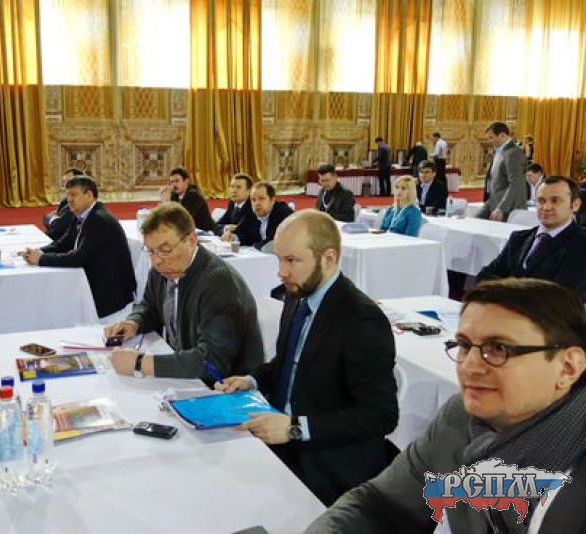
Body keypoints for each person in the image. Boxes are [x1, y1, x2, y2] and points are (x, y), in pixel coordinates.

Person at [307, 278, 586, 533]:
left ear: (568, 367)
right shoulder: (460, 418)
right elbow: (380, 505)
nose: (469, 366)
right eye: (464, 344)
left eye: (499, 348)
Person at [215, 210, 398, 506]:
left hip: (328, 463)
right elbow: (288, 363)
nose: (281, 272)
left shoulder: (361, 318)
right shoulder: (297, 295)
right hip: (281, 437)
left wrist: (295, 428)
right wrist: (252, 380)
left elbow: (380, 415)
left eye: (292, 260)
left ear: (328, 258)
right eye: (279, 259)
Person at [104, 202, 264, 383]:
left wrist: (140, 363)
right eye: (150, 251)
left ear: (191, 241)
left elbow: (211, 363)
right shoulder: (164, 268)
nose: (156, 261)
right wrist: (134, 322)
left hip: (223, 387)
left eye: (165, 250)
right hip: (183, 371)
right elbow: (150, 306)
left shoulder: (219, 285)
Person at [22, 176, 136, 319]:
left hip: (110, 295)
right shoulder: (81, 214)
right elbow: (63, 243)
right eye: (68, 195)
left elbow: (78, 258)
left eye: (73, 195)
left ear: (89, 195)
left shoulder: (99, 219)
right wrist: (39, 251)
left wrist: (41, 258)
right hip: (96, 282)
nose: (69, 199)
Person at [477, 176, 586, 302]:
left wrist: (506, 288)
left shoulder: (581, 243)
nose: (546, 207)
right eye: (541, 201)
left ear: (575, 205)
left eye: (555, 200)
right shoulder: (519, 238)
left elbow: (561, 296)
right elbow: (484, 276)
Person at [478, 122, 528, 221]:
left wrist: (501, 208)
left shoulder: (513, 153)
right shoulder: (498, 151)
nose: (489, 141)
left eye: (491, 137)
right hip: (493, 201)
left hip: (508, 207)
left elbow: (515, 183)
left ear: (502, 135)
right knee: (473, 223)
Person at [227, 181, 293, 249]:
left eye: (261, 198)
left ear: (272, 200)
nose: (257, 203)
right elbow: (247, 236)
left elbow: (271, 243)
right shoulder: (252, 213)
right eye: (253, 200)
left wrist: (255, 246)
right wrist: (234, 237)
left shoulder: (282, 213)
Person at [159, 166, 215, 233]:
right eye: (172, 182)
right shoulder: (174, 194)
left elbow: (182, 221)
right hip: (190, 231)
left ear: (186, 181)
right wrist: (164, 202)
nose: (174, 185)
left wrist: (166, 202)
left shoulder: (193, 195)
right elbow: (169, 218)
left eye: (177, 181)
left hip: (207, 233)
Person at [42, 167, 85, 241]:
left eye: (68, 181)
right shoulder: (65, 201)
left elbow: (58, 226)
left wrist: (52, 219)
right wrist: (54, 219)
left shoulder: (79, 203)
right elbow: (45, 218)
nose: (65, 185)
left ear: (79, 183)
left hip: (62, 243)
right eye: (64, 182)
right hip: (51, 239)